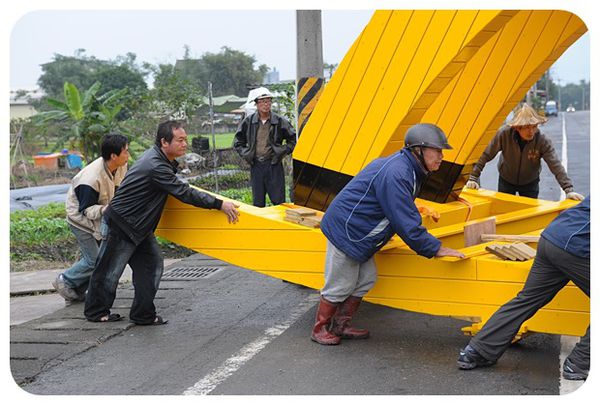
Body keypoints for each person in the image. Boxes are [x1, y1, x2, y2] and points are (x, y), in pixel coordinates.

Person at [312, 123, 466, 345]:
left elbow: (398, 210)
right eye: (437, 150)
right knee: (340, 283)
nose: (442, 156)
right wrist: (435, 248)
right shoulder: (398, 173)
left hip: (360, 231)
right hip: (348, 230)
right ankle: (319, 329)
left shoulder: (410, 168)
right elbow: (404, 219)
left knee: (366, 278)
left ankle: (341, 325)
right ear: (419, 150)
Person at [84, 121, 240, 325]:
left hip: (139, 227)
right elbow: (184, 192)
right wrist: (219, 204)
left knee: (151, 265)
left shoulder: (159, 159)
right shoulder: (155, 165)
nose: (185, 144)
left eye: (185, 139)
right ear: (164, 142)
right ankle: (96, 311)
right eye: (180, 140)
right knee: (110, 270)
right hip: (122, 224)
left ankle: (143, 314)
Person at [457, 196, 590, 380]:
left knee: (526, 299)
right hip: (574, 248)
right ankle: (579, 364)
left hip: (551, 238)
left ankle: (476, 352)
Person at [52, 134, 129, 305]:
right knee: (94, 260)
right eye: (125, 152)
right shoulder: (90, 178)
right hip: (80, 220)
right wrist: (108, 208)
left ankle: (76, 291)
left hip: (101, 215)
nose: (128, 156)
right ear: (113, 156)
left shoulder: (121, 166)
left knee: (101, 259)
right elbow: (86, 210)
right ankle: (65, 280)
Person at [465, 103, 584, 200]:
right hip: (506, 180)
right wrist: (473, 178)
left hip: (530, 183)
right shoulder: (504, 135)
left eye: (534, 126)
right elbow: (486, 155)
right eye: (527, 127)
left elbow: (555, 165)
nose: (531, 131)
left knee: (528, 216)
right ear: (517, 127)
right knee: (504, 214)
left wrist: (568, 190)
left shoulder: (542, 140)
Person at [233, 88, 296, 207]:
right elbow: (238, 142)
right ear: (256, 104)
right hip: (256, 166)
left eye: (268, 101)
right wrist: (247, 154)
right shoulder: (249, 121)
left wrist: (282, 151)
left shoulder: (279, 121)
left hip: (273, 165)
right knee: (258, 203)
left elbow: (293, 139)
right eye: (262, 101)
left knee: (279, 203)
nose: (266, 104)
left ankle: (278, 225)